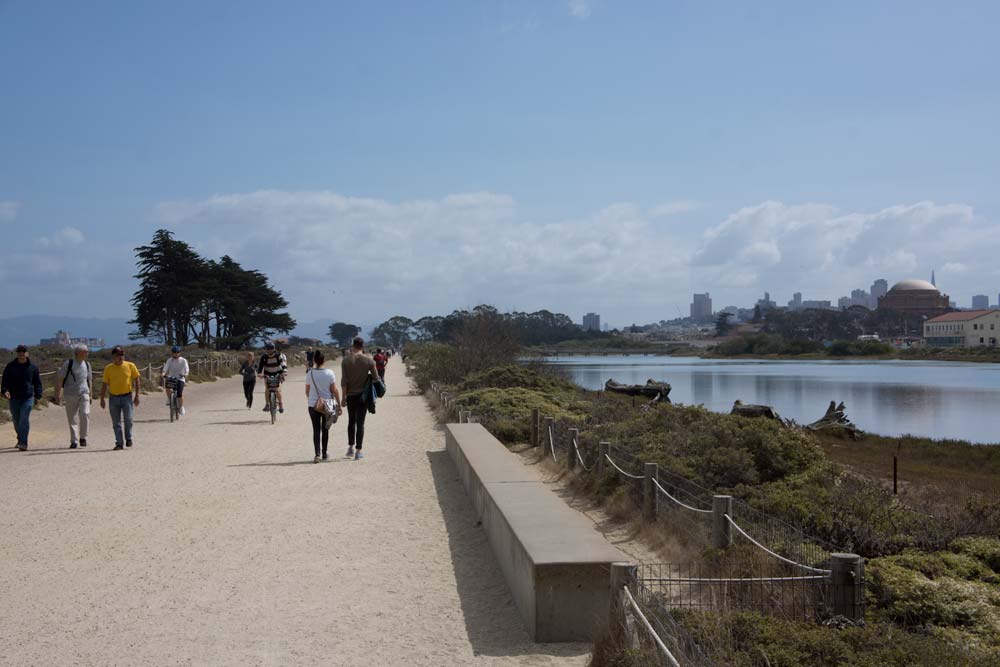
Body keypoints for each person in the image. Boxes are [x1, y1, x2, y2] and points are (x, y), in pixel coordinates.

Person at [340, 336, 380, 460]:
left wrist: (343, 398)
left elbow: (344, 381)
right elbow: (376, 378)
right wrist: (367, 377)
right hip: (363, 396)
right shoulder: (369, 360)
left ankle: (350, 448)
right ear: (363, 346)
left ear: (353, 345)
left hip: (350, 395)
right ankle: (358, 451)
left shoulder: (346, 360)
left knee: (351, 421)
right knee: (360, 423)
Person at [1, 344, 43, 451]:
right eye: (19, 354)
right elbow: (5, 380)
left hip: (28, 397)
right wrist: (5, 391)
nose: (21, 356)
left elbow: (37, 382)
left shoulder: (33, 367)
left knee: (24, 418)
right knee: (16, 420)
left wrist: (38, 395)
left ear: (27, 354)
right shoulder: (10, 366)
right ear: (17, 354)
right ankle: (20, 438)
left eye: (23, 354)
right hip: (14, 397)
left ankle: (23, 443)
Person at [99, 345, 141, 450]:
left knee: (129, 419)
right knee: (116, 422)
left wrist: (137, 396)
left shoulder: (130, 365)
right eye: (118, 355)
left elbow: (137, 380)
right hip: (113, 398)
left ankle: (129, 438)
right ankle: (119, 443)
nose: (121, 357)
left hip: (127, 396)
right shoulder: (108, 368)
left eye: (122, 354)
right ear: (113, 356)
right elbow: (104, 384)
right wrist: (102, 398)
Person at [52, 343, 92, 449]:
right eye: (85, 351)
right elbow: (60, 378)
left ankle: (83, 437)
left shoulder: (87, 364)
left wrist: (91, 394)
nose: (87, 353)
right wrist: (57, 395)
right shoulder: (68, 364)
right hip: (70, 394)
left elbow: (89, 380)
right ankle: (74, 440)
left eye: (87, 351)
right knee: (72, 418)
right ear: (77, 353)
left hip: (84, 393)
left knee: (85, 414)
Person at [305, 350, 341, 463]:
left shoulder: (310, 373)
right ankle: (325, 453)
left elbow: (307, 391)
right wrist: (339, 405)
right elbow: (334, 390)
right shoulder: (330, 373)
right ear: (324, 360)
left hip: (313, 405)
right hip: (328, 405)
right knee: (325, 429)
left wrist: (313, 400)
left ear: (314, 360)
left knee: (316, 430)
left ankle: (317, 454)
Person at [257, 342, 287, 413]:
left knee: (277, 389)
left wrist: (284, 371)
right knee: (267, 389)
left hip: (278, 373)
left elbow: (283, 363)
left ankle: (280, 404)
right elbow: (260, 366)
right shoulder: (264, 357)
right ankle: (267, 404)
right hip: (267, 374)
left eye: (271, 349)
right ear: (266, 350)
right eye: (268, 349)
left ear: (274, 349)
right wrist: (259, 373)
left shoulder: (279, 355)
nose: (269, 350)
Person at [161, 345, 190, 415]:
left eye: (177, 352)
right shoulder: (169, 360)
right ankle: (169, 398)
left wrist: (185, 374)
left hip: (180, 378)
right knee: (167, 387)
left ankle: (181, 407)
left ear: (179, 353)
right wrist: (163, 373)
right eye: (174, 352)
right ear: (172, 353)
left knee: (179, 394)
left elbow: (187, 369)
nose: (176, 354)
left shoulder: (183, 360)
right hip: (171, 377)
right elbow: (165, 368)